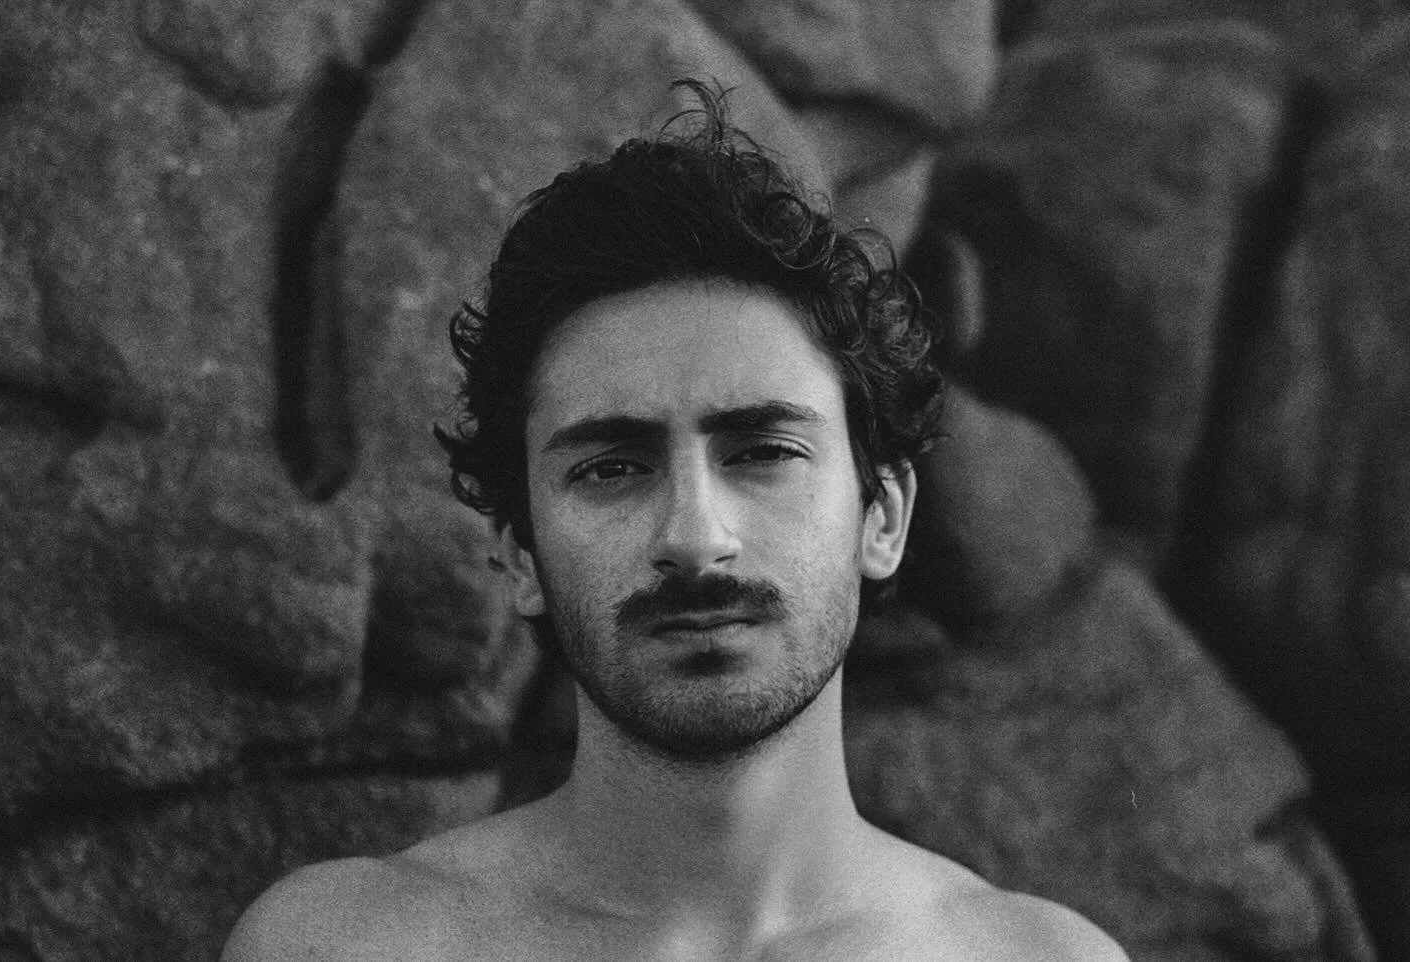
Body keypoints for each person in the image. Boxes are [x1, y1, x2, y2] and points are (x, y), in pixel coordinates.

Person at [223, 80, 1129, 961]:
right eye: (612, 467)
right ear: (519, 552)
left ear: (882, 515)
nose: (696, 537)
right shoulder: (344, 946)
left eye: (764, 453)